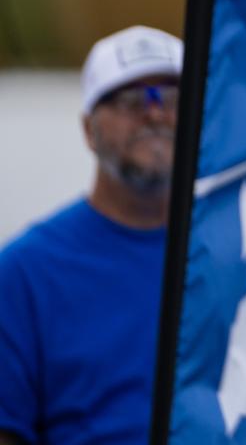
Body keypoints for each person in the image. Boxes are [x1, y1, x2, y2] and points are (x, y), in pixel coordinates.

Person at [0, 25, 183, 445]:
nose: (155, 114)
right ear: (88, 129)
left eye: (173, 99)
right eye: (130, 100)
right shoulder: (25, 273)